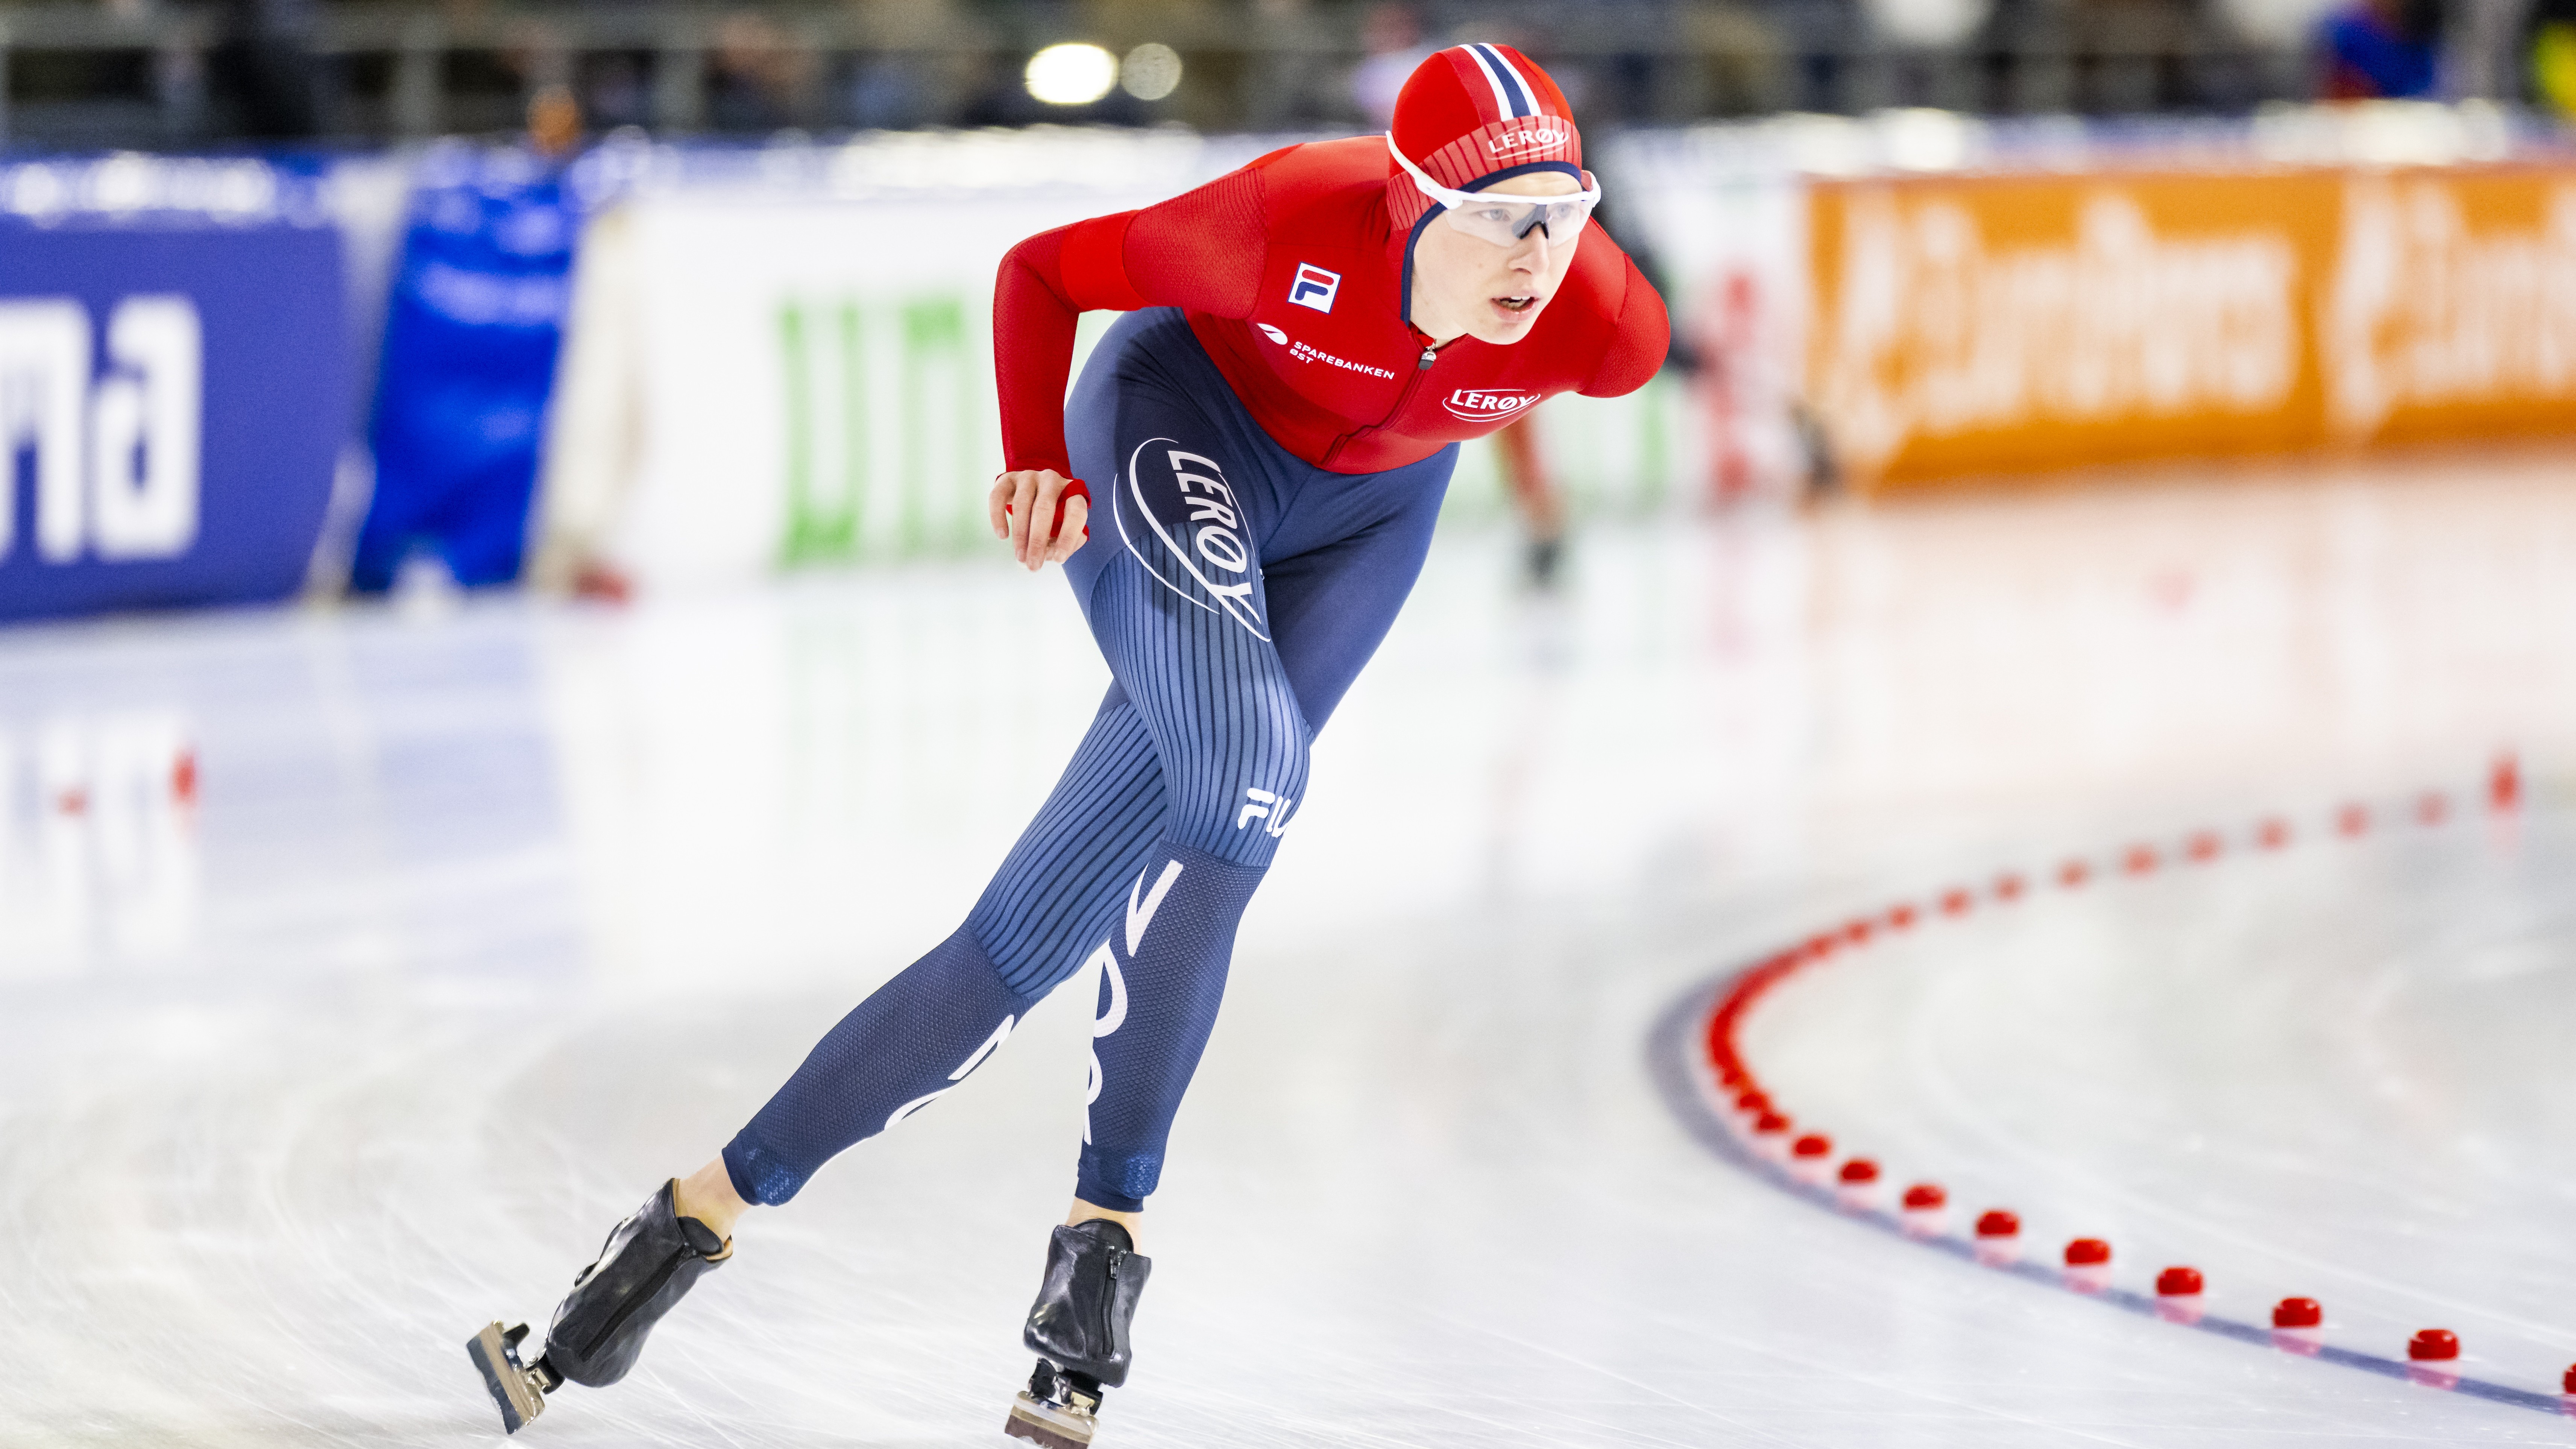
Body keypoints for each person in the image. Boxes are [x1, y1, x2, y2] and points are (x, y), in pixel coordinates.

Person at [468, 43, 1667, 1448]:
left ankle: (682, 1228)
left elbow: (1552, 330)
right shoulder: (1285, 219)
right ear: (1406, 205)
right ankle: (1105, 1238)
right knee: (1251, 779)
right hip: (1181, 433)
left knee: (1018, 947)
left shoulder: (1603, 324)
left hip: (1366, 524)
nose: (1533, 253)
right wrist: (1035, 448)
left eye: (1561, 212)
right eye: (1495, 216)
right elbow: (1044, 268)